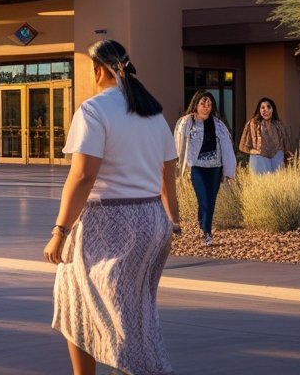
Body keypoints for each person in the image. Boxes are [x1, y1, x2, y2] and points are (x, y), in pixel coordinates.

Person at [44, 39, 179, 375]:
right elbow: (168, 176)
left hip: (108, 223)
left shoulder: (93, 110)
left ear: (98, 69)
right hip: (151, 220)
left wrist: (59, 231)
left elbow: (82, 176)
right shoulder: (153, 112)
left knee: (79, 302)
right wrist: (172, 222)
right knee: (134, 311)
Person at [174, 90, 237, 246]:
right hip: (197, 167)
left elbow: (227, 147)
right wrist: (179, 169)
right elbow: (179, 145)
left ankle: (205, 228)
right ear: (196, 104)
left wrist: (229, 171)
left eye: (209, 104)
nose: (206, 107)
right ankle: (206, 232)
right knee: (203, 199)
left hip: (215, 167)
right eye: (203, 104)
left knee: (211, 200)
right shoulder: (187, 122)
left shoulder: (218, 124)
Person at [239, 97, 295, 175]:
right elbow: (244, 145)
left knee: (276, 184)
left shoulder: (279, 125)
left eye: (268, 107)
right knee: (261, 184)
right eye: (262, 107)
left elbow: (285, 146)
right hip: (259, 159)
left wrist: (285, 155)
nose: (266, 110)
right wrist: (254, 152)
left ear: (273, 110)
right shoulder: (252, 124)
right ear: (259, 110)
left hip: (277, 159)